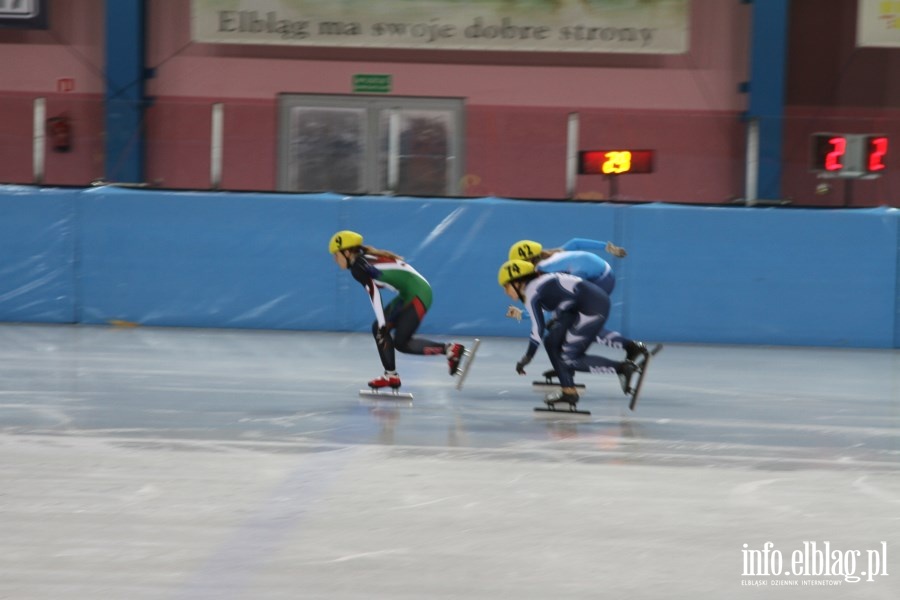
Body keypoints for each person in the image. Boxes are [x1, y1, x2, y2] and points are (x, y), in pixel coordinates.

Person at [328, 230, 465, 390]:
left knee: (401, 342)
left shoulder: (358, 266)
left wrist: (382, 322)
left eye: (336, 255)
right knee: (380, 330)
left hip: (417, 294)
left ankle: (450, 349)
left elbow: (374, 293)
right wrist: (381, 323)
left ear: (346, 252)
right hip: (410, 292)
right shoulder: (364, 260)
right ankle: (391, 376)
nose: (335, 260)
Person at [497, 258, 638, 408]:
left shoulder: (532, 291)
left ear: (517, 282)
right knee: (552, 341)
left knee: (568, 358)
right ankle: (567, 386)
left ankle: (621, 368)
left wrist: (528, 356)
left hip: (589, 308)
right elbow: (565, 297)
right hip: (587, 303)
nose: (505, 292)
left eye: (506, 287)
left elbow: (537, 328)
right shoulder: (541, 280)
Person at [506, 238, 649, 366]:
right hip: (604, 273)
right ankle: (630, 346)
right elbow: (576, 242)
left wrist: (524, 315)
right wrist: (607, 247)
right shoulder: (554, 253)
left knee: (575, 326)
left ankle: (629, 347)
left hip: (594, 282)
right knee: (575, 323)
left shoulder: (541, 270)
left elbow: (543, 303)